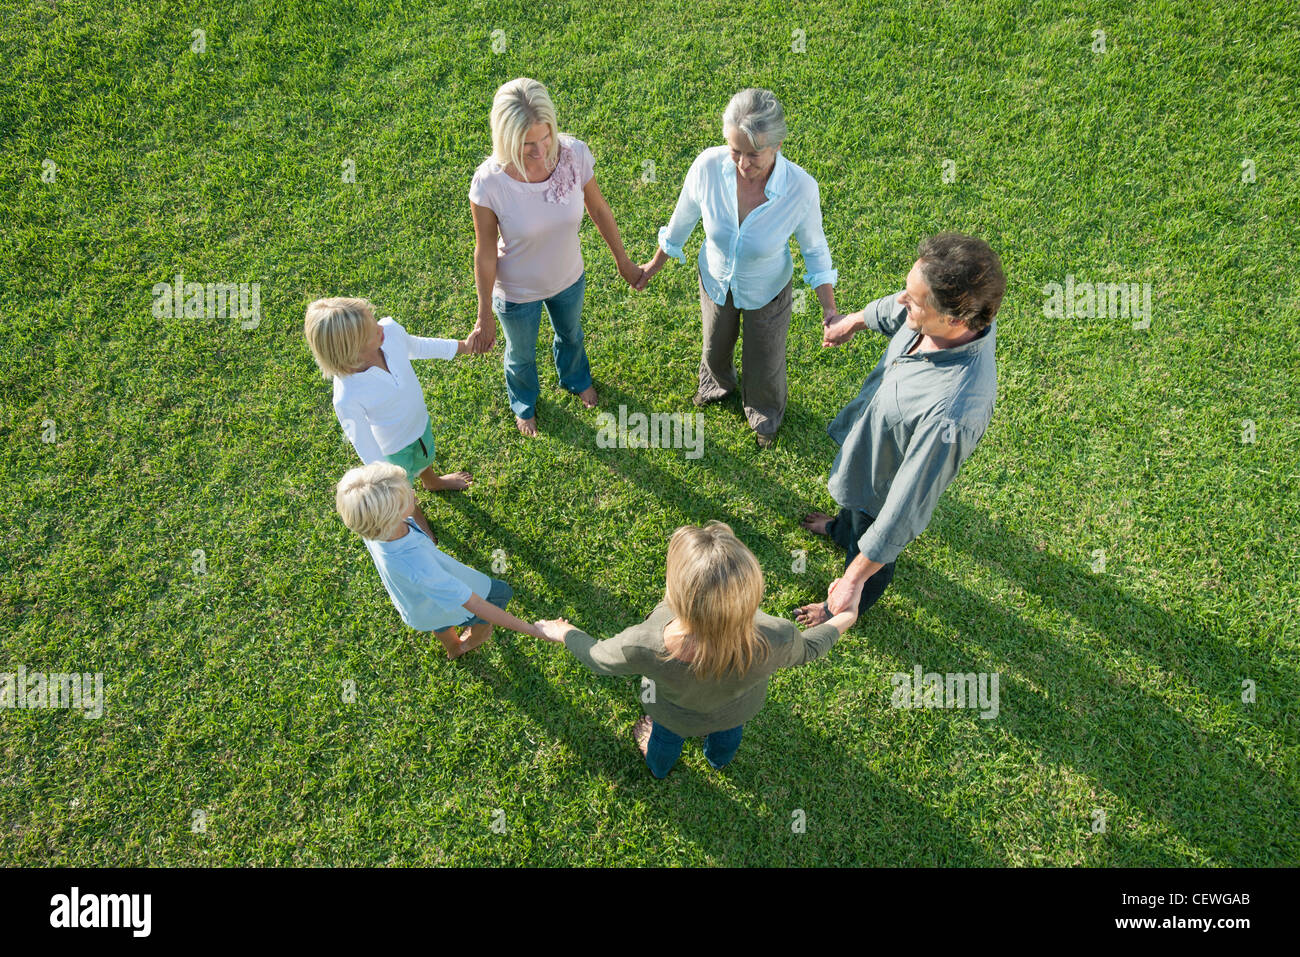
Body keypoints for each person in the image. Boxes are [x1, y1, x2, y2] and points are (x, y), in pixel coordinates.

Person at [536, 522, 861, 778]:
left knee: (663, 741)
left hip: (671, 717)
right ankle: (718, 761)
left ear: (676, 591)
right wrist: (848, 614)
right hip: (737, 712)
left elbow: (597, 658)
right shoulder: (778, 637)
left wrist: (565, 632)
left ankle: (658, 768)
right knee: (728, 737)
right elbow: (811, 648)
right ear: (750, 590)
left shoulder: (643, 643)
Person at [794, 233, 1006, 625]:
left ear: (955, 320)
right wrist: (854, 322)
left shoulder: (952, 414)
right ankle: (843, 529)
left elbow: (902, 513)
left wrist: (850, 582)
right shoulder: (938, 314)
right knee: (854, 510)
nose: (902, 301)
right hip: (873, 449)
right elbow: (897, 307)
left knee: (871, 532)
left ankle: (853, 592)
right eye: (908, 290)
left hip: (885, 491)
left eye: (914, 300)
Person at [636, 88, 844, 449]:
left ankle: (764, 413)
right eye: (735, 151)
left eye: (754, 154)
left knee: (765, 360)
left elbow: (815, 251)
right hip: (715, 279)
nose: (743, 164)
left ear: (777, 145)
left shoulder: (801, 189)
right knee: (715, 343)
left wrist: (829, 310)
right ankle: (716, 384)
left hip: (768, 288)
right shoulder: (706, 167)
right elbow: (681, 220)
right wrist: (653, 266)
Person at [467, 77, 643, 437]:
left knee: (571, 335)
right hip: (516, 292)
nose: (540, 149)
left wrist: (623, 262)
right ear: (504, 137)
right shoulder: (489, 183)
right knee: (520, 355)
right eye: (526, 143)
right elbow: (485, 253)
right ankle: (525, 402)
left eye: (545, 137)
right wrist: (483, 314)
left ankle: (576, 379)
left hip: (568, 278)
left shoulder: (575, 154)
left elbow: (598, 209)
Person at [305, 297, 474, 542]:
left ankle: (433, 481)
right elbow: (363, 443)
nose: (381, 328)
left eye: (375, 322)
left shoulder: (390, 333)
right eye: (373, 331)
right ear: (350, 349)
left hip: (419, 423)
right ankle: (417, 516)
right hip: (393, 452)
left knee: (425, 457)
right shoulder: (347, 396)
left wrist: (462, 346)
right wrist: (387, 475)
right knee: (403, 488)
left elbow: (417, 346)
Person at [336, 462, 546, 659]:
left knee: (439, 621)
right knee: (499, 595)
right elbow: (475, 603)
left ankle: (453, 647)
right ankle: (476, 637)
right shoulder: (418, 567)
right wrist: (533, 629)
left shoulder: (373, 530)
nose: (413, 493)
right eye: (407, 496)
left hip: (419, 607)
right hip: (442, 597)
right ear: (390, 518)